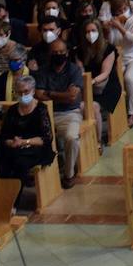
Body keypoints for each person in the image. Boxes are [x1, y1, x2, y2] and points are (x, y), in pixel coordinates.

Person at [0, 75, 55, 211]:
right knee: (1, 161)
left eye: (26, 91)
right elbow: (4, 134)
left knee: (20, 163)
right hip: (15, 147)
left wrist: (24, 142)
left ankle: (13, 203)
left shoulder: (40, 109)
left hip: (36, 148)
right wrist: (11, 142)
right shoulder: (13, 110)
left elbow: (47, 137)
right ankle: (1, 199)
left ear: (33, 91)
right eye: (19, 92)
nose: (23, 95)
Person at [36, 39, 84, 189]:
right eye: (55, 52)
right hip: (46, 114)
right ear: (50, 54)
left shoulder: (74, 70)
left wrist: (49, 93)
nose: (58, 55)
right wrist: (62, 95)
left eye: (61, 52)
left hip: (70, 113)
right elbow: (38, 94)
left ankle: (69, 174)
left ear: (67, 53)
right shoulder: (43, 70)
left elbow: (72, 97)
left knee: (71, 138)